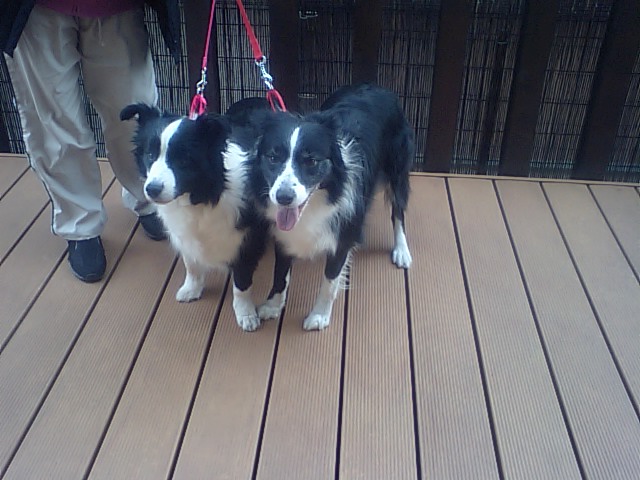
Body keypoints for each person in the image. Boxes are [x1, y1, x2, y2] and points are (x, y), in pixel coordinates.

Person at [0, 0, 181, 282]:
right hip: (34, 9)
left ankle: (147, 196)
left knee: (134, 114)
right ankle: (80, 224)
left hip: (116, 6)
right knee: (53, 122)